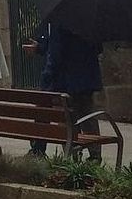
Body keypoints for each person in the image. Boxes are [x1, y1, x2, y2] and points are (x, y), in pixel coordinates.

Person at [23, 22, 103, 161]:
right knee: (87, 117)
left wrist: (47, 79)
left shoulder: (60, 20)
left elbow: (55, 53)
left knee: (68, 120)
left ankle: (72, 157)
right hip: (86, 77)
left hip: (66, 80)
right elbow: (98, 48)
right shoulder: (88, 19)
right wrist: (40, 47)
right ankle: (94, 156)